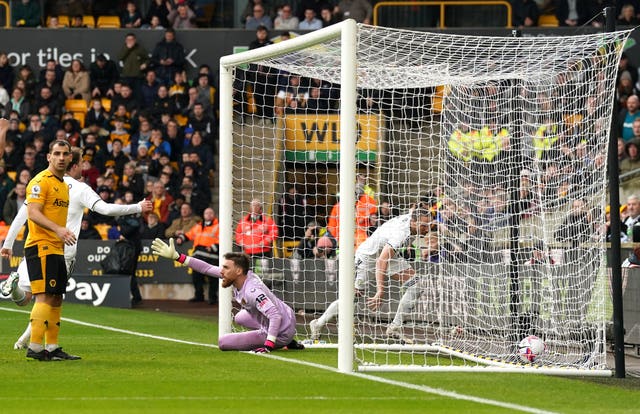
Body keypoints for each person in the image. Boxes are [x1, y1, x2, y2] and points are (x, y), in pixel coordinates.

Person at [0, 146, 153, 351]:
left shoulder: (46, 181)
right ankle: (37, 346)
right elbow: (105, 209)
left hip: (35, 247)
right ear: (74, 165)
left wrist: (8, 243)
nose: (83, 168)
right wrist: (137, 207)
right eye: (81, 164)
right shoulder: (79, 188)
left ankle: (32, 338)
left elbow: (23, 214)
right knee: (51, 298)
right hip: (62, 250)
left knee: (26, 299)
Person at [308, 206, 436, 341]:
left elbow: (414, 210)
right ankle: (318, 323)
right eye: (423, 226)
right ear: (413, 221)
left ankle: (395, 327)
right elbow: (381, 261)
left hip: (389, 254)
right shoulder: (401, 234)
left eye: (429, 225)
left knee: (417, 286)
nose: (427, 229)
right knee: (353, 298)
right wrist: (380, 290)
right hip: (368, 257)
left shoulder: (412, 218)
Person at [151, 240, 304, 352]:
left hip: (282, 328)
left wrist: (269, 344)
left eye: (225, 267)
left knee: (223, 343)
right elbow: (207, 268)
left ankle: (282, 340)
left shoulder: (252, 291)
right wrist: (178, 256)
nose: (221, 270)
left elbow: (275, 315)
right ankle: (280, 337)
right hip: (287, 315)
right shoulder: (242, 276)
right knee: (239, 318)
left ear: (238, 271)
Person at [176, 207, 219, 304]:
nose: (208, 215)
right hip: (198, 255)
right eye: (206, 213)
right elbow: (189, 234)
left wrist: (214, 247)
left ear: (214, 215)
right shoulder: (199, 226)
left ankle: (213, 298)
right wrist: (181, 238)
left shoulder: (218, 226)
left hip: (212, 256)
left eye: (210, 213)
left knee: (213, 279)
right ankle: (199, 296)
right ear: (203, 215)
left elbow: (222, 239)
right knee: (196, 277)